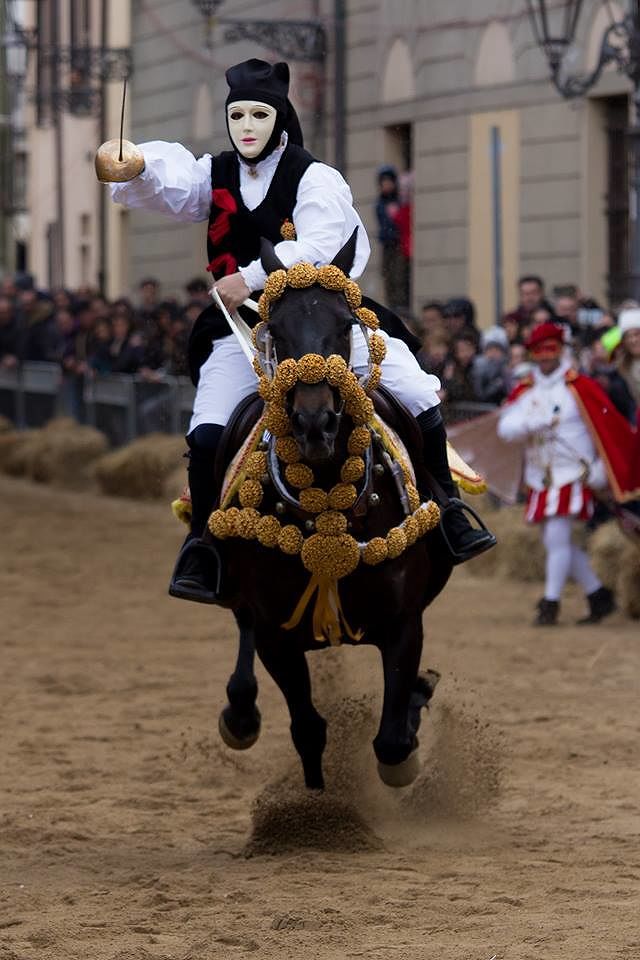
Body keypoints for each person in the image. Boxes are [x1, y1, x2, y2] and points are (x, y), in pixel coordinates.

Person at [106, 58, 495, 602]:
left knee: (414, 389)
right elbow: (175, 183)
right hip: (246, 332)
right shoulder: (216, 173)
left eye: (258, 115)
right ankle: (204, 545)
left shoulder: (315, 176)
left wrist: (248, 275)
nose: (245, 126)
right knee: (209, 430)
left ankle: (450, 507)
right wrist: (139, 164)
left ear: (280, 117)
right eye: (236, 115)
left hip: (323, 319)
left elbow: (318, 245)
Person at [497, 322, 640, 625]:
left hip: (575, 474)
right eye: (540, 354)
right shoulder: (525, 389)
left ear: (561, 352)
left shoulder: (581, 386)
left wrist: (602, 468)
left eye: (552, 353)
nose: (546, 359)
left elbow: (607, 429)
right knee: (556, 542)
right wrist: (530, 424)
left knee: (558, 537)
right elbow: (504, 428)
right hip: (541, 477)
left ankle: (550, 603)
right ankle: (598, 595)